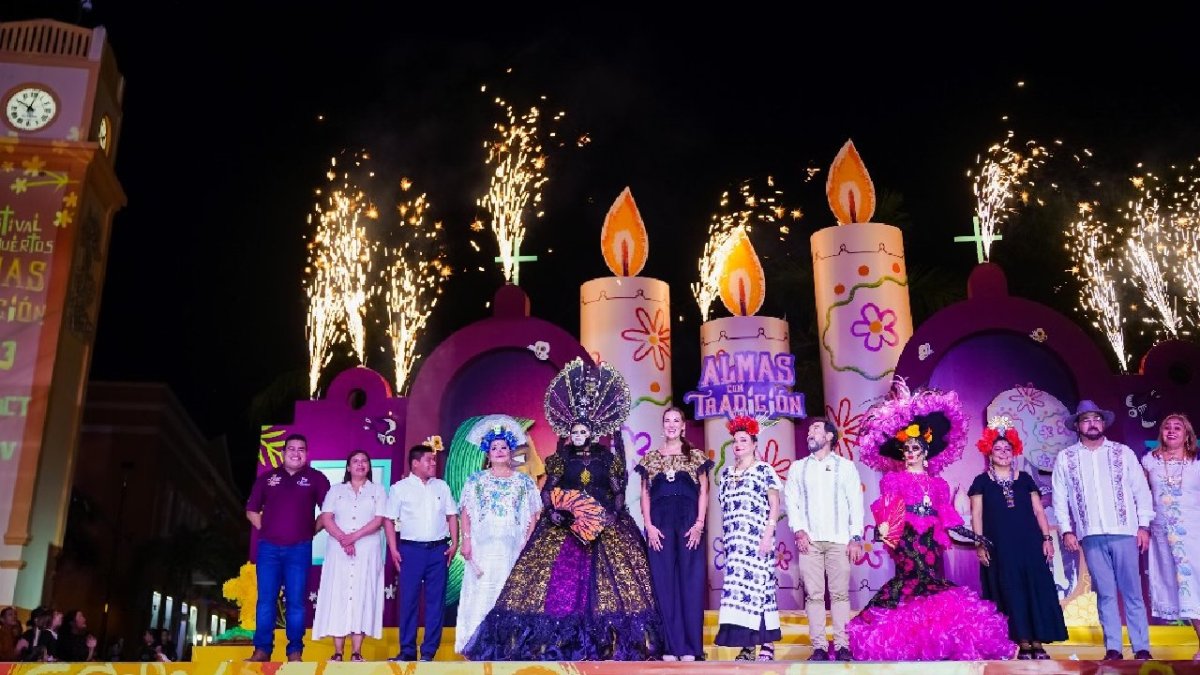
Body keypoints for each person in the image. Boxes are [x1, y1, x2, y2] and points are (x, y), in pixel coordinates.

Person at [463, 357, 664, 661]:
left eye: (584, 431)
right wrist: (556, 512)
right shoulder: (560, 459)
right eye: (576, 431)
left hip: (606, 528)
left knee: (611, 587)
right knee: (560, 585)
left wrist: (611, 513)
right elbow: (548, 491)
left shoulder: (607, 459)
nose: (579, 436)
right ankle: (562, 643)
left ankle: (607, 644)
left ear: (593, 432)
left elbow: (618, 491)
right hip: (564, 527)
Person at [847, 382, 1015, 660]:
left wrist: (975, 536)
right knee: (912, 580)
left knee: (930, 583)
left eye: (915, 448)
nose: (910, 452)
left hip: (929, 541)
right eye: (906, 448)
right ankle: (890, 639)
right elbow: (888, 513)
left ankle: (928, 643)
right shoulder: (893, 479)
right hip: (907, 540)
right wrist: (884, 532)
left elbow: (947, 518)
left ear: (925, 452)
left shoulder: (938, 485)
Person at [1052, 399, 1154, 661]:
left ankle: (1141, 647)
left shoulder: (1122, 452)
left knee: (1133, 592)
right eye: (1086, 419)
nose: (1092, 423)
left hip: (1125, 531)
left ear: (1103, 423)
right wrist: (1066, 530)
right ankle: (1113, 649)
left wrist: (1143, 526)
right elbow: (1060, 497)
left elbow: (1140, 490)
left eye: (1097, 419)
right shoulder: (1067, 458)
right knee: (1106, 594)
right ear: (1077, 425)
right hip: (1091, 535)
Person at [969, 418, 1067, 659]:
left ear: (1014, 452)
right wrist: (979, 543)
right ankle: (1023, 643)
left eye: (1007, 449)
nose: (1003, 453)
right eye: (997, 449)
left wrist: (1046, 538)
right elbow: (977, 514)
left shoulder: (1024, 479)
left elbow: (1038, 511)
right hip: (999, 547)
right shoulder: (981, 481)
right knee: (1010, 590)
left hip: (1030, 544)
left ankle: (1038, 642)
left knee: (1035, 588)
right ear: (989, 452)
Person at [454, 419, 541, 654]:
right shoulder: (476, 480)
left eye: (503, 447)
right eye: (494, 448)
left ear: (510, 450)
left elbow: (533, 514)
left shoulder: (523, 481)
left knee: (508, 593)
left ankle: (508, 648)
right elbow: (466, 511)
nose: (500, 452)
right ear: (488, 453)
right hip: (483, 548)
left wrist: (527, 541)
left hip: (511, 548)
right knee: (482, 593)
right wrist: (467, 540)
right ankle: (477, 648)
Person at [244, 433, 331, 662]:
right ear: (283, 453)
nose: (295, 452)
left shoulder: (317, 479)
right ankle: (262, 650)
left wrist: (310, 530)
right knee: (265, 600)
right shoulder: (267, 478)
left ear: (307, 453)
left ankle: (295, 652)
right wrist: (268, 528)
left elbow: (328, 512)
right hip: (269, 550)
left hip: (299, 549)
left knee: (296, 602)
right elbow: (251, 510)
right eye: (291, 449)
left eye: (300, 449)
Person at [784, 417, 864, 662]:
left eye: (816, 429)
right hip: (810, 541)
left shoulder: (846, 466)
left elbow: (855, 504)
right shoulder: (798, 467)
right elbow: (791, 501)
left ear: (830, 436)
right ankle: (818, 647)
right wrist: (798, 530)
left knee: (840, 595)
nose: (810, 433)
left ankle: (842, 645)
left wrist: (856, 537)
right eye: (809, 430)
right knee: (814, 596)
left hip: (840, 540)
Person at [636, 405, 712, 662]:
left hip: (690, 524)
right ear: (663, 426)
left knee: (690, 583)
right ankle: (670, 646)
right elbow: (644, 494)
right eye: (667, 420)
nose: (671, 424)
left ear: (683, 426)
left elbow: (704, 492)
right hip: (660, 526)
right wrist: (649, 525)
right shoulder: (650, 459)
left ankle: (691, 647)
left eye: (676, 420)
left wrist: (700, 523)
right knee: (664, 583)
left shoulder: (696, 457)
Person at [714, 415, 783, 662]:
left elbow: (774, 503)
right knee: (739, 594)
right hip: (735, 544)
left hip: (758, 540)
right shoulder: (725, 473)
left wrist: (768, 533)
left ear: (754, 443)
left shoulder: (764, 469)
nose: (738, 445)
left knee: (760, 589)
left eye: (744, 440)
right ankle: (747, 646)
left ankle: (767, 644)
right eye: (735, 441)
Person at [383, 443, 459, 662]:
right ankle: (407, 651)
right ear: (415, 463)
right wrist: (393, 548)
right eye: (429, 460)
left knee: (436, 603)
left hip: (439, 551)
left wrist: (454, 543)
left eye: (434, 460)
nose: (433, 464)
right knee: (408, 601)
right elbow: (388, 519)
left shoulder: (441, 486)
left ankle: (428, 653)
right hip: (411, 551)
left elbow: (452, 515)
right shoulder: (400, 488)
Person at [313, 449, 388, 662]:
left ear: (369, 467)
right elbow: (326, 518)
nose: (360, 464)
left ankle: (357, 651)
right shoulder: (336, 490)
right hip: (339, 550)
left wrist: (353, 537)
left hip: (366, 549)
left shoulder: (378, 491)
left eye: (365, 461)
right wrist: (342, 538)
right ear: (348, 467)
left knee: (362, 595)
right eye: (355, 461)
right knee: (339, 594)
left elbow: (379, 519)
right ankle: (338, 652)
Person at [1142, 413, 1200, 659]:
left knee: (1195, 585)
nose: (1172, 430)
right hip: (1164, 536)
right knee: (1181, 590)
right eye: (1167, 427)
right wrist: (1142, 526)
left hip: (1194, 534)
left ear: (1187, 435)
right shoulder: (1149, 462)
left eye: (1178, 427)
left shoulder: (1196, 463)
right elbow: (1142, 497)